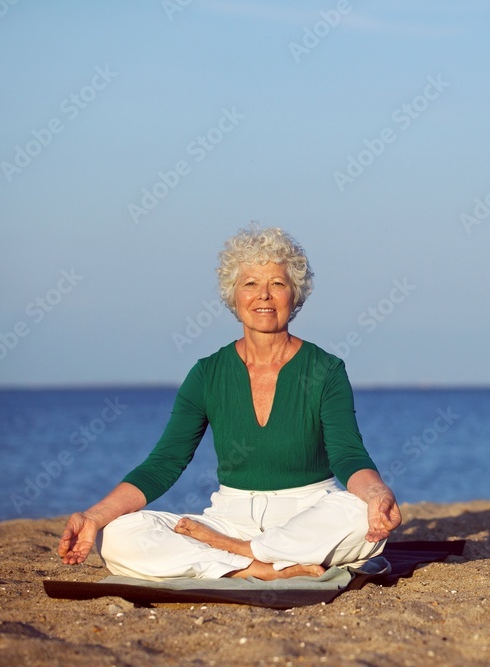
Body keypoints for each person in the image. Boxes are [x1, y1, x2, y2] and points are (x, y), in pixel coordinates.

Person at [57, 225, 401, 581]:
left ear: (295, 295)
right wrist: (94, 516)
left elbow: (348, 454)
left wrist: (377, 494)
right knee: (118, 535)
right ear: (233, 296)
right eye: (250, 283)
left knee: (358, 514)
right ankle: (261, 568)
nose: (264, 296)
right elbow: (164, 463)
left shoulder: (326, 369)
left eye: (278, 284)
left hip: (308, 513)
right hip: (229, 520)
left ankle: (239, 557)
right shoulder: (207, 373)